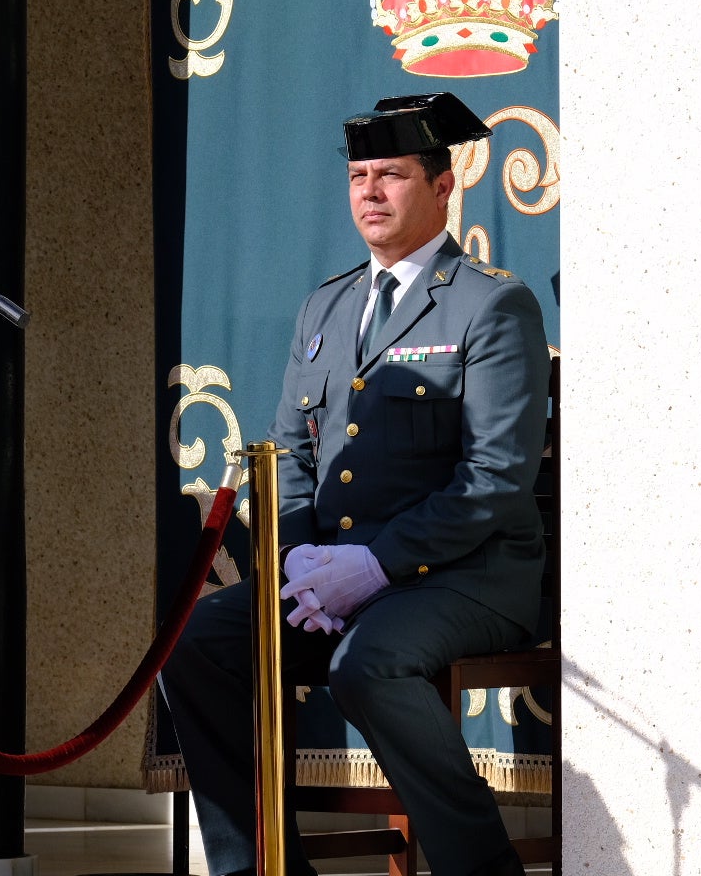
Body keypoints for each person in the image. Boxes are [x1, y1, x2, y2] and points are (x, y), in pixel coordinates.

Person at [160, 92, 550, 876]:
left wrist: (375, 566)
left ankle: (482, 868)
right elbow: (293, 456)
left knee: (365, 663)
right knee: (197, 646)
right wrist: (301, 557)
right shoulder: (327, 305)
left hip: (466, 576)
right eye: (359, 175)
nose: (369, 192)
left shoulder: (492, 304)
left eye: (393, 175)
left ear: (443, 189)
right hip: (333, 573)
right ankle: (257, 868)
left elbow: (496, 479)